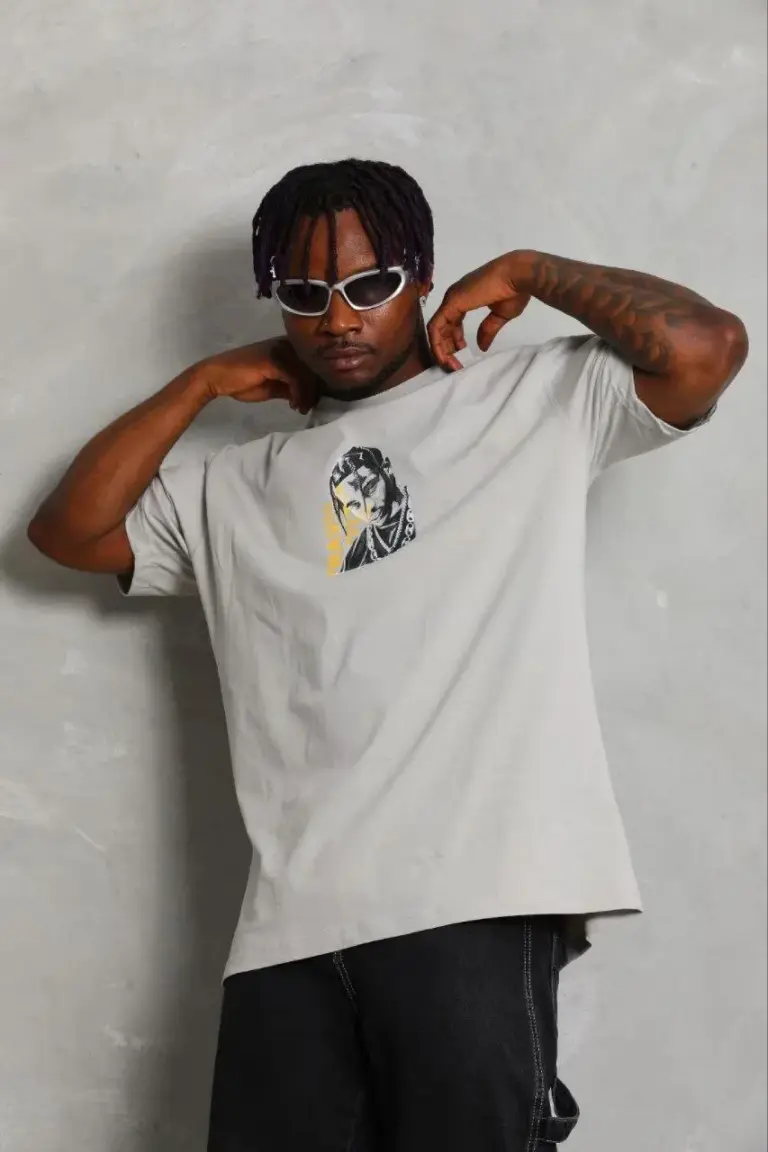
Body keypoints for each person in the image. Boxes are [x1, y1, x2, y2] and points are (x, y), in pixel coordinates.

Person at [27, 159, 749, 1151]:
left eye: (370, 284)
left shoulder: (534, 400)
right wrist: (198, 384)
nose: (338, 319)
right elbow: (67, 533)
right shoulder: (234, 486)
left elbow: (708, 348)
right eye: (304, 294)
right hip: (287, 928)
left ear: (422, 278)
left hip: (475, 899)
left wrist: (531, 269)